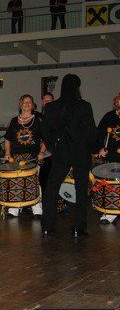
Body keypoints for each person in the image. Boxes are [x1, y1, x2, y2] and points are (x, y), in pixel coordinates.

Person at [40, 74, 97, 237]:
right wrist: (93, 148)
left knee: (51, 189)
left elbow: (44, 130)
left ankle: (47, 226)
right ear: (77, 88)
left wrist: (53, 147)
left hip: (61, 153)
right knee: (81, 190)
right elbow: (91, 131)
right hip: (81, 153)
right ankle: (78, 227)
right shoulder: (84, 106)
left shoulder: (52, 107)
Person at [3, 94, 46, 218]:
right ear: (20, 105)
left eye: (29, 102)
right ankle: (14, 208)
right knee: (16, 181)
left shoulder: (38, 121)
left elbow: (46, 139)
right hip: (16, 157)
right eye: (24, 102)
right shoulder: (13, 121)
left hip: (33, 157)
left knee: (33, 181)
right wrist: (7, 153)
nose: (27, 104)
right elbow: (7, 139)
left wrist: (42, 152)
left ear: (33, 105)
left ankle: (37, 208)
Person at [96, 92, 120, 224]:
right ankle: (110, 213)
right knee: (113, 186)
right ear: (115, 102)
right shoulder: (109, 116)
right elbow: (99, 133)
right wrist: (101, 148)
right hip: (113, 156)